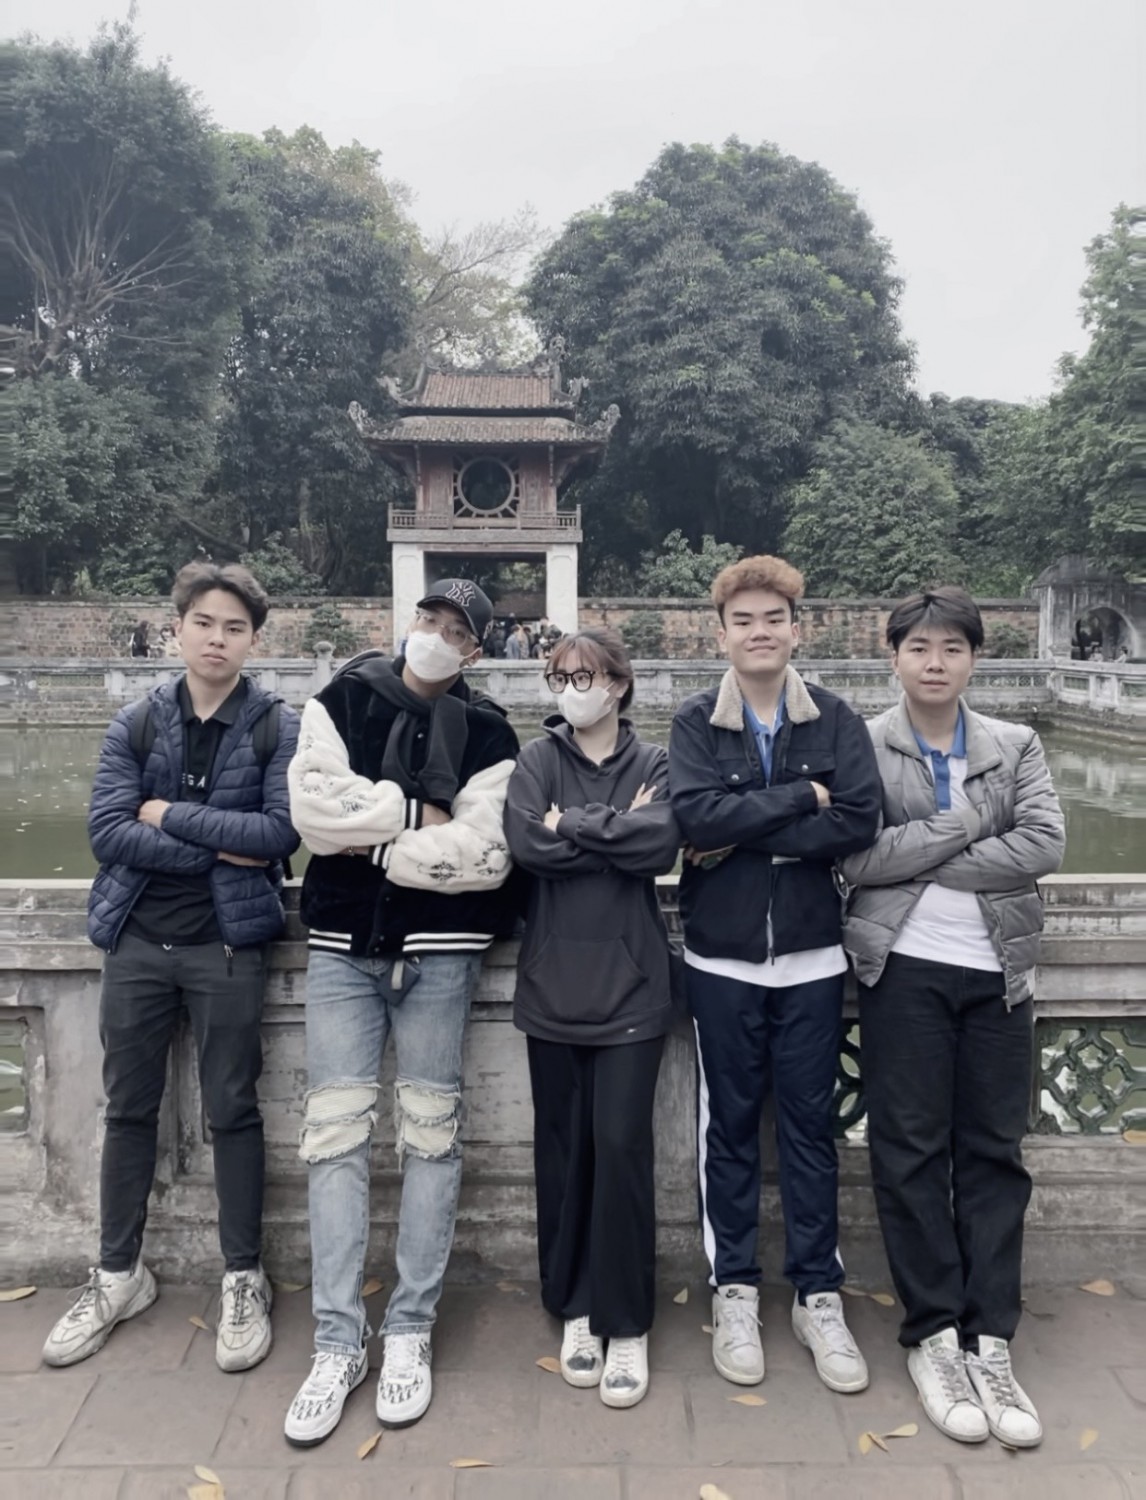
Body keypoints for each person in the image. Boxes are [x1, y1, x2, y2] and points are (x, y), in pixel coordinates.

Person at [42, 563, 300, 1373]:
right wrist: (216, 840)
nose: (217, 639)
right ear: (177, 628)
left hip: (228, 943)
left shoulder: (275, 726)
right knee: (128, 1109)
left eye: (234, 628)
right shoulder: (137, 722)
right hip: (136, 943)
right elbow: (108, 833)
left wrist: (169, 815)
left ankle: (242, 1276)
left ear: (254, 640)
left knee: (233, 1109)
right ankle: (118, 1273)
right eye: (204, 623)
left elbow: (278, 835)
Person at [284, 579, 519, 1445]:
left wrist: (372, 835)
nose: (437, 634)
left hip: (443, 950)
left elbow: (487, 854)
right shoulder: (340, 699)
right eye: (429, 618)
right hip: (342, 945)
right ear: (409, 620)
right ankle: (337, 1341)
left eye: (457, 629)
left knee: (431, 1135)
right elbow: (313, 813)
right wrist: (416, 816)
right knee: (334, 1137)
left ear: (476, 649)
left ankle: (411, 1327)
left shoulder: (491, 731)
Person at [840, 586, 1065, 1449]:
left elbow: (1045, 844)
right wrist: (969, 826)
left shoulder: (1015, 743)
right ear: (894, 655)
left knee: (995, 1152)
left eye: (952, 648)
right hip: (903, 971)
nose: (935, 663)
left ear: (975, 657)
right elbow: (858, 859)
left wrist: (928, 850)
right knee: (909, 1151)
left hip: (1000, 973)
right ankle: (933, 1332)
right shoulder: (863, 745)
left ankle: (990, 1336)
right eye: (920, 647)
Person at [668, 555, 880, 1395]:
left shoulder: (835, 718)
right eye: (743, 621)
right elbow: (693, 817)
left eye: (773, 619)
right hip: (719, 959)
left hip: (813, 957)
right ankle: (735, 1289)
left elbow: (859, 820)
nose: (759, 633)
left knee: (809, 1129)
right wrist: (800, 800)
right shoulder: (696, 721)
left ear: (798, 628)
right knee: (728, 1129)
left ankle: (817, 1293)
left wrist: (741, 832)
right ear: (720, 635)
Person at [505, 628, 680, 1410]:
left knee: (621, 1147)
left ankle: (626, 1319)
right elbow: (524, 845)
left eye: (587, 676)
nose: (573, 689)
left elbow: (661, 844)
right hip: (553, 984)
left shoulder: (656, 762)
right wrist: (613, 828)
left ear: (619, 683)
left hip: (633, 988)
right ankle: (575, 1304)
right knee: (564, 1150)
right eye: (561, 677)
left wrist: (568, 825)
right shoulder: (536, 760)